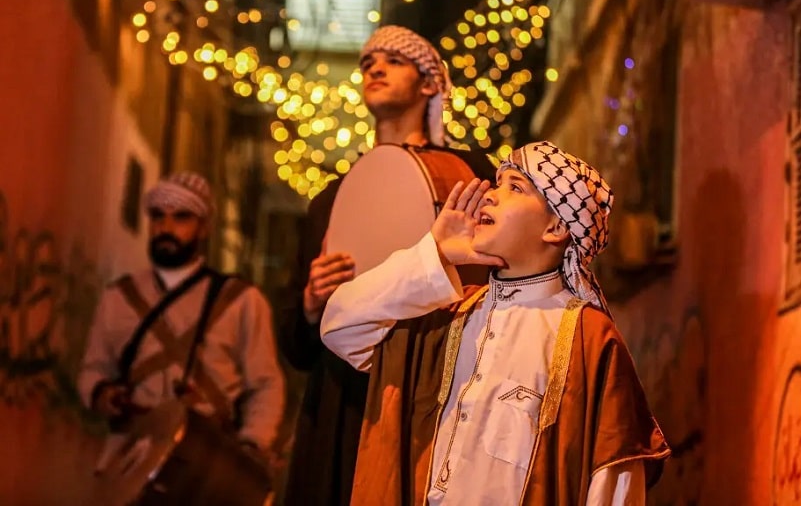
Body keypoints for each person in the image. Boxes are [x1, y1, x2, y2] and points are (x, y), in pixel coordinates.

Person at [321, 141, 671, 505]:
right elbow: (340, 326)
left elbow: (614, 488)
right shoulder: (447, 317)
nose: (490, 194)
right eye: (496, 182)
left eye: (515, 187)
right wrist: (436, 254)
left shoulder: (588, 339)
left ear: (555, 226)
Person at [280, 25, 496, 505]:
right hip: (340, 406)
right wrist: (312, 303)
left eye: (393, 60)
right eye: (367, 63)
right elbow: (294, 349)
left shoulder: (471, 172)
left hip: (428, 391)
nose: (374, 67)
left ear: (429, 84)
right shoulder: (331, 199)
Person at [78, 171, 285, 474]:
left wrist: (250, 447)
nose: (166, 227)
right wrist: (102, 393)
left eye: (181, 217)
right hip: (128, 455)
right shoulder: (119, 297)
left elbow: (265, 385)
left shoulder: (242, 301)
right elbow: (93, 368)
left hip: (205, 460)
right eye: (158, 216)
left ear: (204, 228)